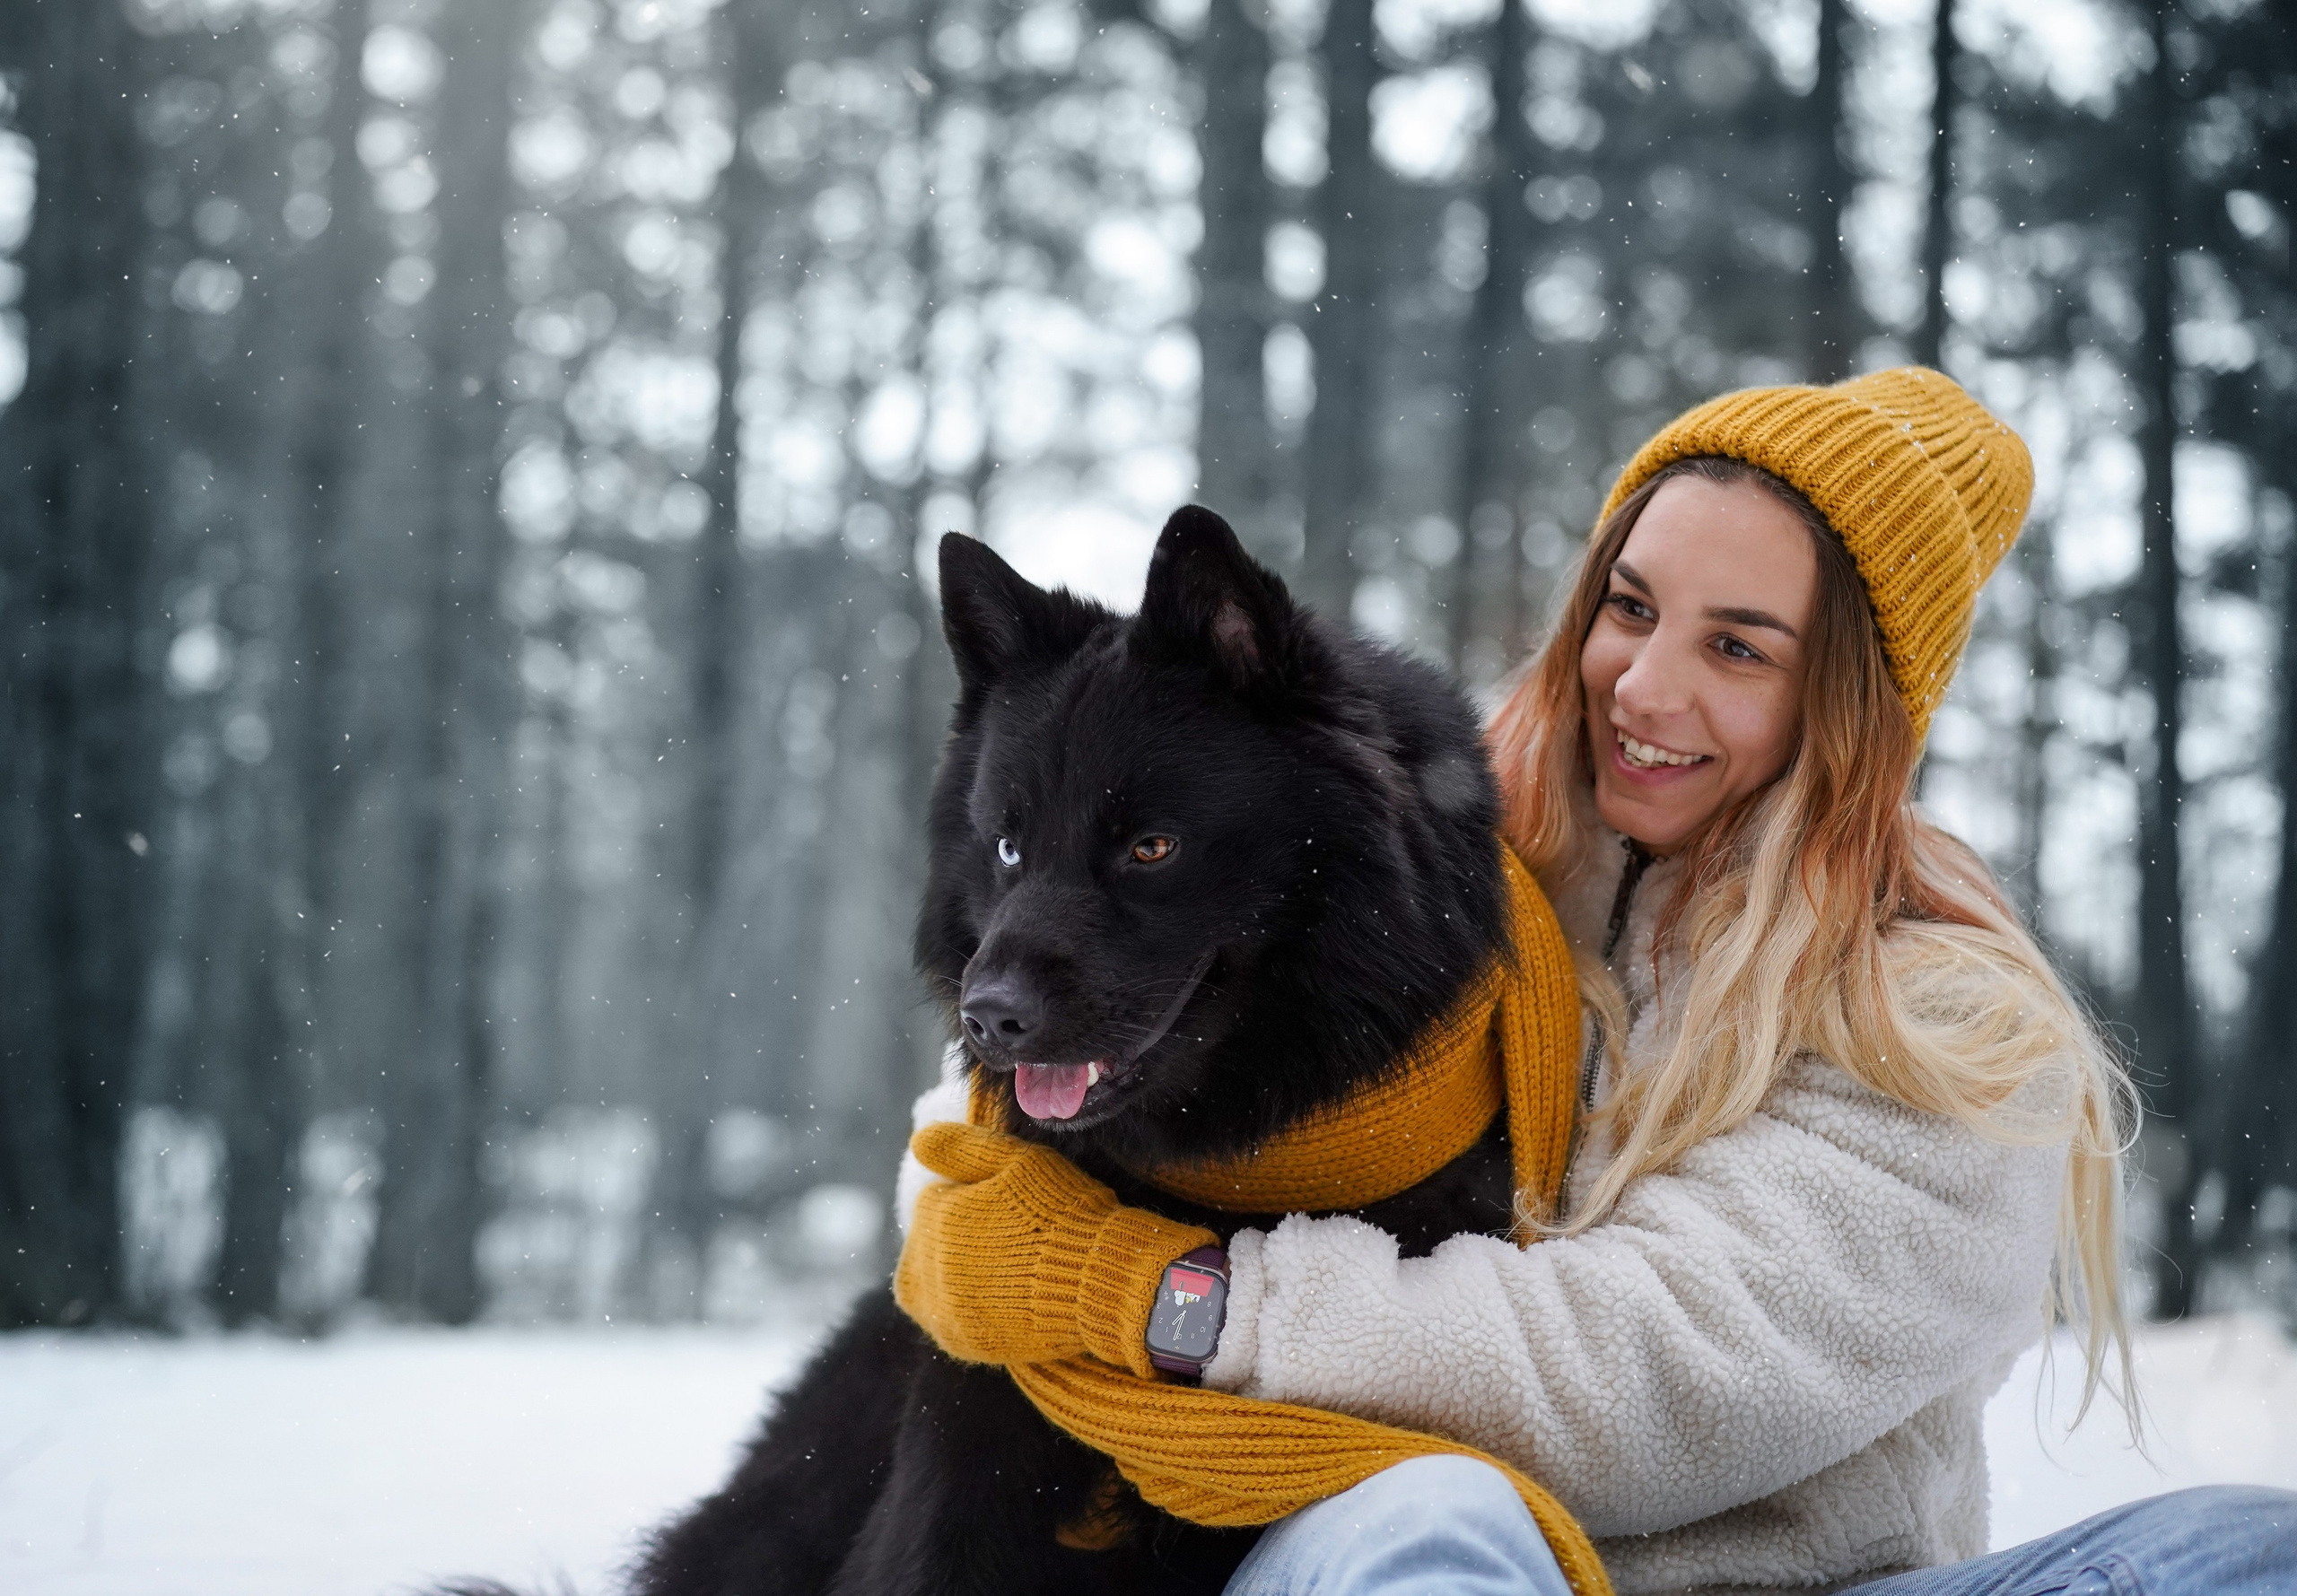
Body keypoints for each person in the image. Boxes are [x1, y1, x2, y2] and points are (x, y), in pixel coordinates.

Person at [895, 370, 2297, 1594]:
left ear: (1853, 705)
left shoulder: (1950, 1024)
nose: (1644, 686)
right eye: (1633, 606)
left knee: (2244, 1552)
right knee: (1435, 1522)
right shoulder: (1443, 863)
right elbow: (1020, 1112)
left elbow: (1631, 1380)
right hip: (1405, 1557)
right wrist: (972, 1207)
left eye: (1738, 645)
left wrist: (1156, 1297)